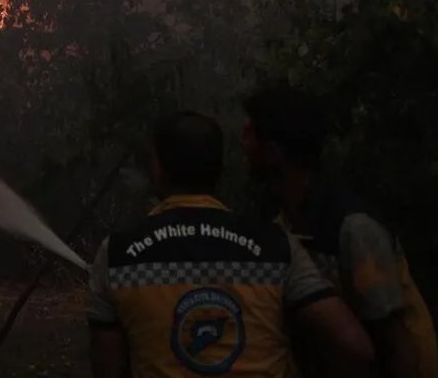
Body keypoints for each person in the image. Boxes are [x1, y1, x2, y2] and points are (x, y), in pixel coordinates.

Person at [87, 111, 374, 378]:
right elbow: (354, 347)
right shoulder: (275, 246)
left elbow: (108, 367)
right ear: (220, 170)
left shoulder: (116, 255)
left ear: (157, 169)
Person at [241, 84, 438, 378]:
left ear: (273, 152)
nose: (242, 143)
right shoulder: (277, 221)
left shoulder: (355, 230)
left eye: (250, 134)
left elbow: (400, 349)